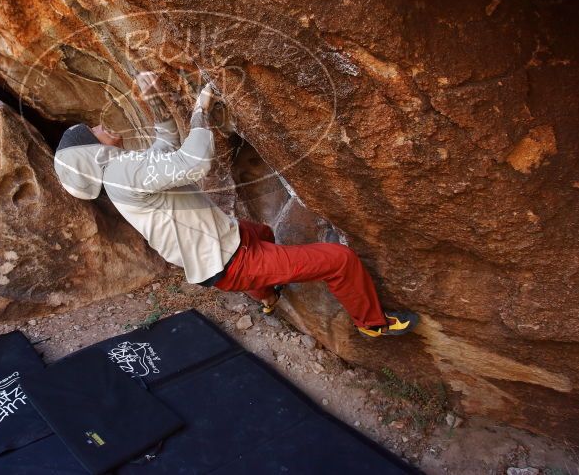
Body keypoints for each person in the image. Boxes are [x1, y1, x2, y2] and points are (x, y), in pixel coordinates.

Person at [53, 73, 418, 338]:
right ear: (91, 152)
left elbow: (164, 146)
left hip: (218, 257)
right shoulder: (121, 172)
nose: (100, 127)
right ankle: (372, 324)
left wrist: (154, 101)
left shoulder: (119, 177)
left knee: (262, 232)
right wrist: (201, 108)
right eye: (92, 131)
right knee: (341, 260)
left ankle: (268, 296)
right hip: (233, 263)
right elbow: (195, 163)